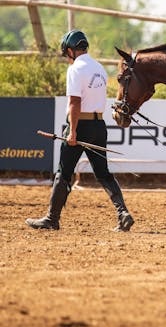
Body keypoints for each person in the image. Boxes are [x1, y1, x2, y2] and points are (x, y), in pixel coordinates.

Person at [26, 29, 134, 232]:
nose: (67, 58)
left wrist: (72, 131)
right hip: (98, 125)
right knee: (103, 173)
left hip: (80, 125)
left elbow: (74, 102)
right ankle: (123, 213)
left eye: (66, 54)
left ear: (70, 50)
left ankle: (51, 219)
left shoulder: (75, 69)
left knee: (63, 173)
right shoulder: (99, 68)